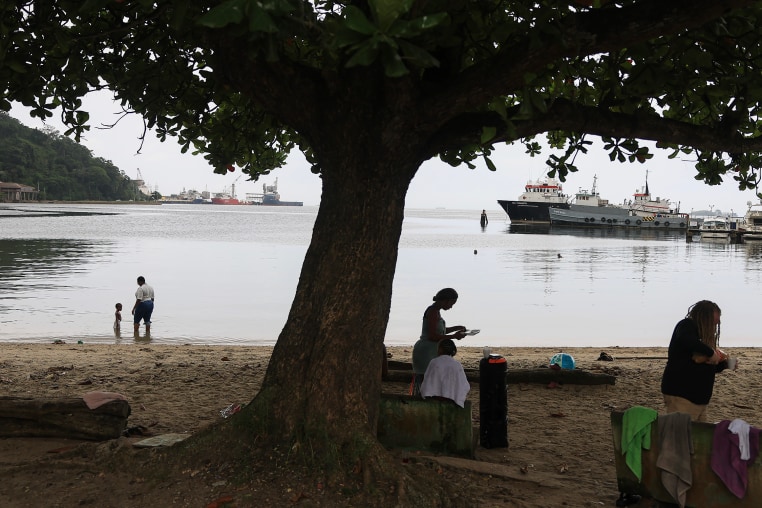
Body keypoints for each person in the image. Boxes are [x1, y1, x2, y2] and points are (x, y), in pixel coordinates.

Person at [661, 300, 734, 422]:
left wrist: (725, 364)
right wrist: (711, 353)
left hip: (700, 400)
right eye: (713, 323)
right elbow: (688, 340)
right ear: (704, 318)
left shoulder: (704, 337)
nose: (714, 327)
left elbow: (706, 365)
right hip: (682, 395)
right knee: (680, 436)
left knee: (698, 437)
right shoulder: (686, 326)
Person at [411, 288, 466, 396]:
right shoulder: (432, 312)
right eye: (451, 303)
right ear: (446, 300)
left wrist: (456, 328)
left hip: (432, 350)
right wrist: (454, 336)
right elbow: (433, 336)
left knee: (431, 379)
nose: (451, 307)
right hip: (426, 351)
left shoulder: (436, 311)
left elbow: (440, 330)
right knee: (425, 379)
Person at [420, 338, 471, 407]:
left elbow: (426, 382)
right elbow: (465, 386)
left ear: (440, 349)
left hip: (434, 400)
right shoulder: (457, 364)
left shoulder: (434, 362)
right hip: (452, 401)